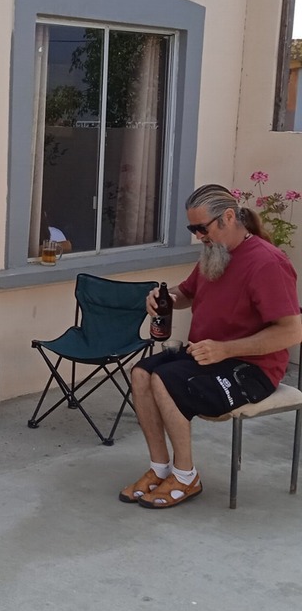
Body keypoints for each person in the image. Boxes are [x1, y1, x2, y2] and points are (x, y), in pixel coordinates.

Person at [120, 183, 302, 509]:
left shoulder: (268, 263)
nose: (199, 236)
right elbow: (185, 293)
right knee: (141, 374)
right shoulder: (216, 253)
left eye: (202, 228)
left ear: (228, 217)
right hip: (207, 354)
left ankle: (185, 476)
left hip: (253, 368)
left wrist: (226, 349)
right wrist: (165, 298)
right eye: (193, 229)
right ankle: (160, 469)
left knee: (165, 380)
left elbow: (291, 332)